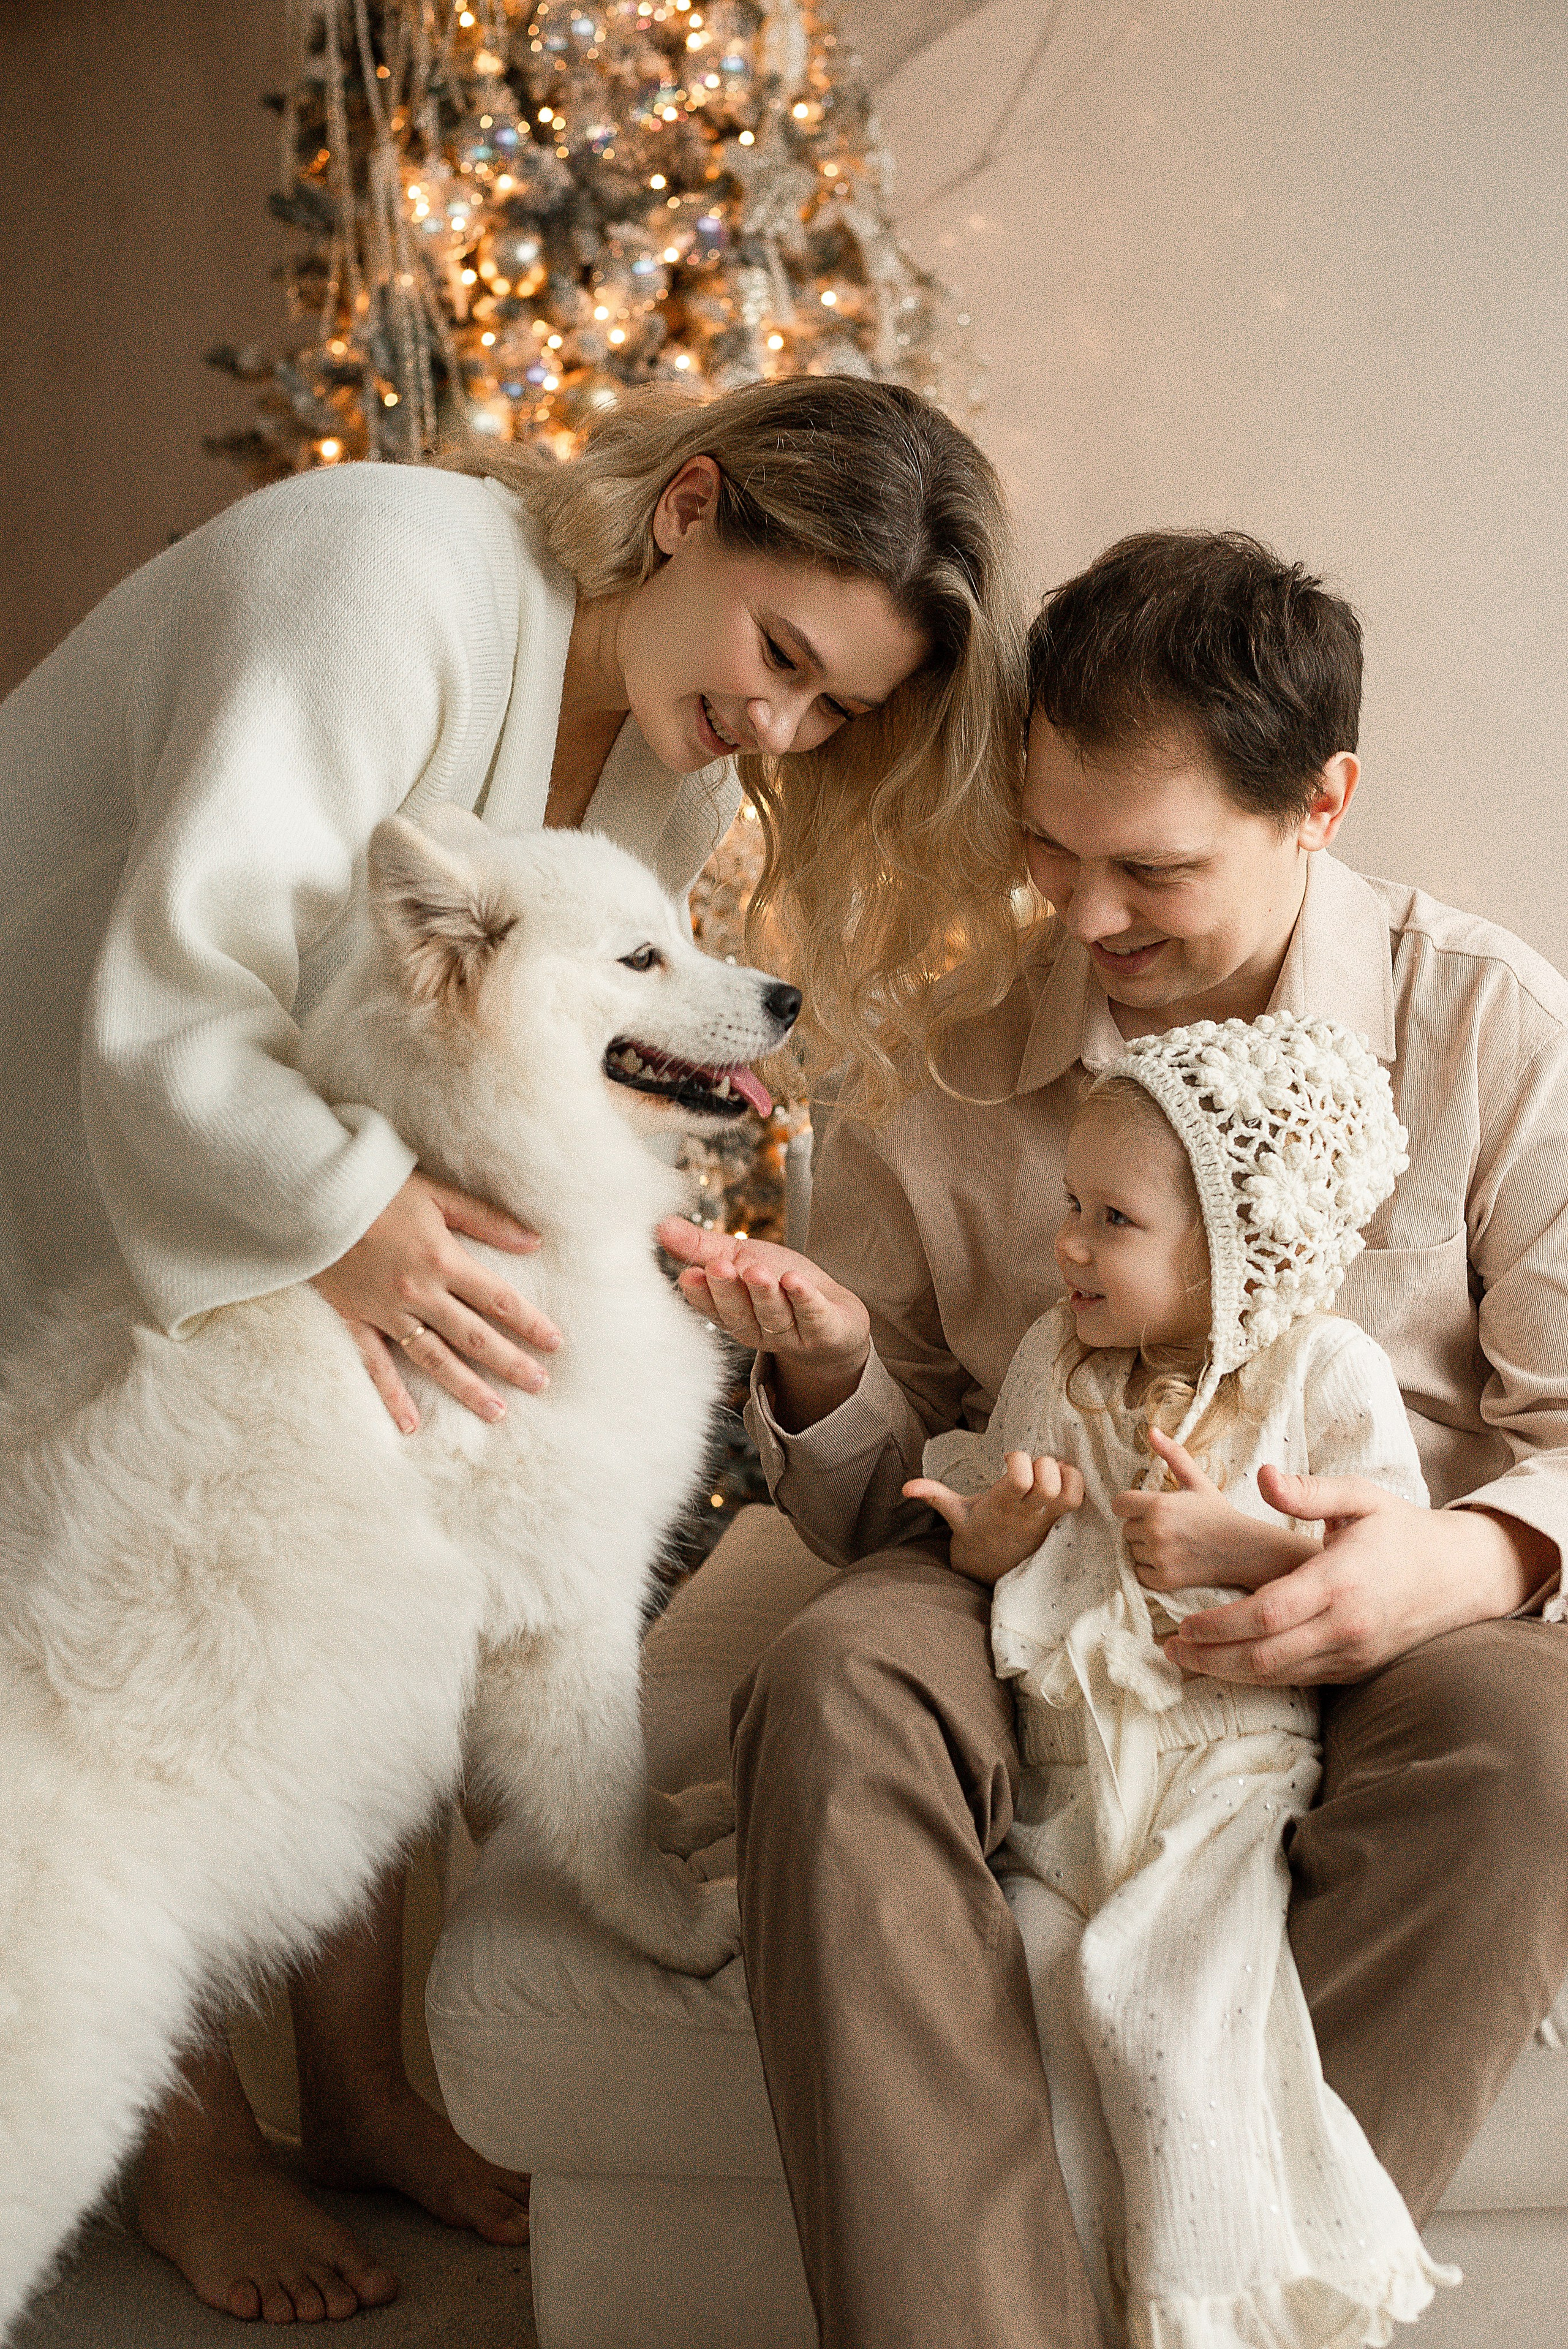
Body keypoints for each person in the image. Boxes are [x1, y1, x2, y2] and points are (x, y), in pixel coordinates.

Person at [0, 374, 1026, 2324]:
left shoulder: (673, 746)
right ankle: (191, 2148)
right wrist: (356, 1215)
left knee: (389, 1501)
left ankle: (367, 2086)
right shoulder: (378, 570)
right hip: (61, 1069)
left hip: (263, 1107)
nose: (782, 725)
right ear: (686, 509)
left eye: (837, 708)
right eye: (780, 651)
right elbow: (182, 965)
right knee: (135, 1621)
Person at [662, 530, 1568, 2349]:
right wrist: (837, 1378)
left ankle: (1232, 2312)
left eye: (1151, 869)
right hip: (1024, 1571)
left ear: (1322, 803)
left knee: (1534, 1742)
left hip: (1383, 1616)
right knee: (835, 1679)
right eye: (1047, 851)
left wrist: (1454, 1559)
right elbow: (885, 1496)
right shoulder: (948, 1048)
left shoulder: (1484, 1020)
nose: (1084, 921)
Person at [904, 1013, 1457, 2347]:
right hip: (1062, 1775)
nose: (1068, 1246)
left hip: (1223, 1772)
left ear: (1233, 1239)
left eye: (1113, 1219)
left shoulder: (1323, 1370)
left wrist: (1247, 1545)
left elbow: (1378, 1555)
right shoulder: (1053, 1357)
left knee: (1158, 2009)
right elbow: (996, 1504)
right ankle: (1087, 2302)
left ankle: (1218, 2307)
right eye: (1067, 1206)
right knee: (1038, 2007)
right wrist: (990, 1534)